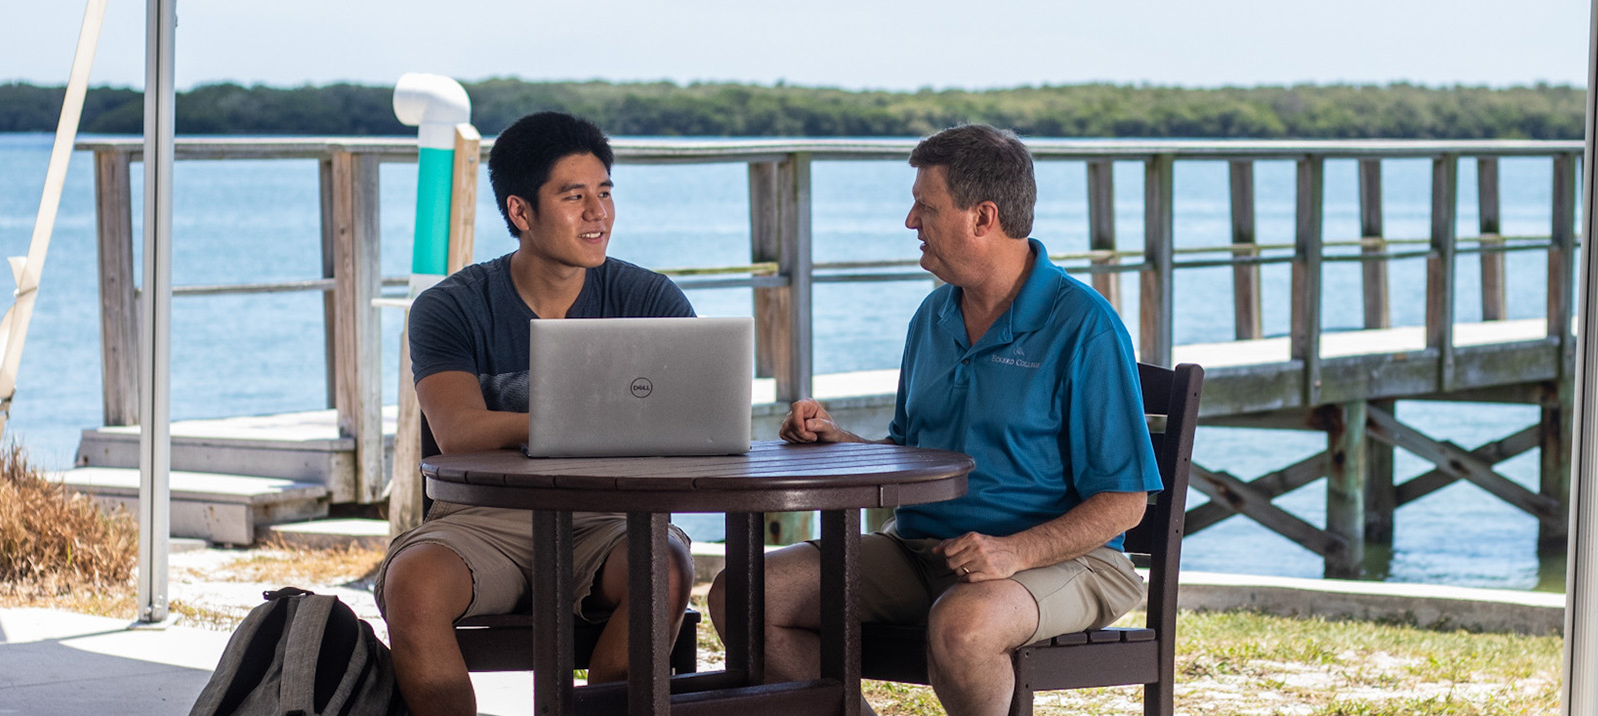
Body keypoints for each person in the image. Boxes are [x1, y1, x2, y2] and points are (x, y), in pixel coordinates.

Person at [708, 124, 1160, 716]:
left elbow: (1124, 502)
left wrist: (1013, 553)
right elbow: (909, 452)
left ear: (983, 217)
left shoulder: (1084, 326)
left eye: (925, 206)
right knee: (743, 594)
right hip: (921, 548)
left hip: (1064, 560)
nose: (909, 221)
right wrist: (838, 442)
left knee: (963, 627)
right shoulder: (932, 316)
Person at [376, 111, 697, 716]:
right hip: (482, 519)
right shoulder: (448, 308)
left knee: (665, 567)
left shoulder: (649, 299)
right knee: (412, 586)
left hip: (608, 517)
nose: (598, 213)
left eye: (605, 193)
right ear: (521, 212)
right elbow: (459, 433)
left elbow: (695, 419)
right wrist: (603, 417)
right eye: (574, 197)